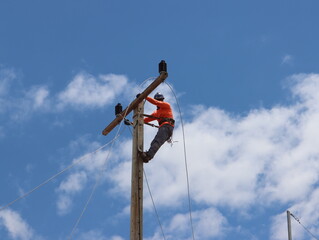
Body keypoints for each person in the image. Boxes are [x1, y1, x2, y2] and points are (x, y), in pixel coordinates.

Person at [140, 92, 174, 163]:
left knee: (157, 141)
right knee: (154, 142)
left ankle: (148, 156)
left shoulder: (166, 105)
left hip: (167, 126)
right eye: (159, 99)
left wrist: (144, 96)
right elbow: (146, 120)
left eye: (160, 100)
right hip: (164, 127)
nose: (160, 101)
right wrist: (133, 122)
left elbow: (156, 102)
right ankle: (148, 155)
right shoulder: (157, 112)